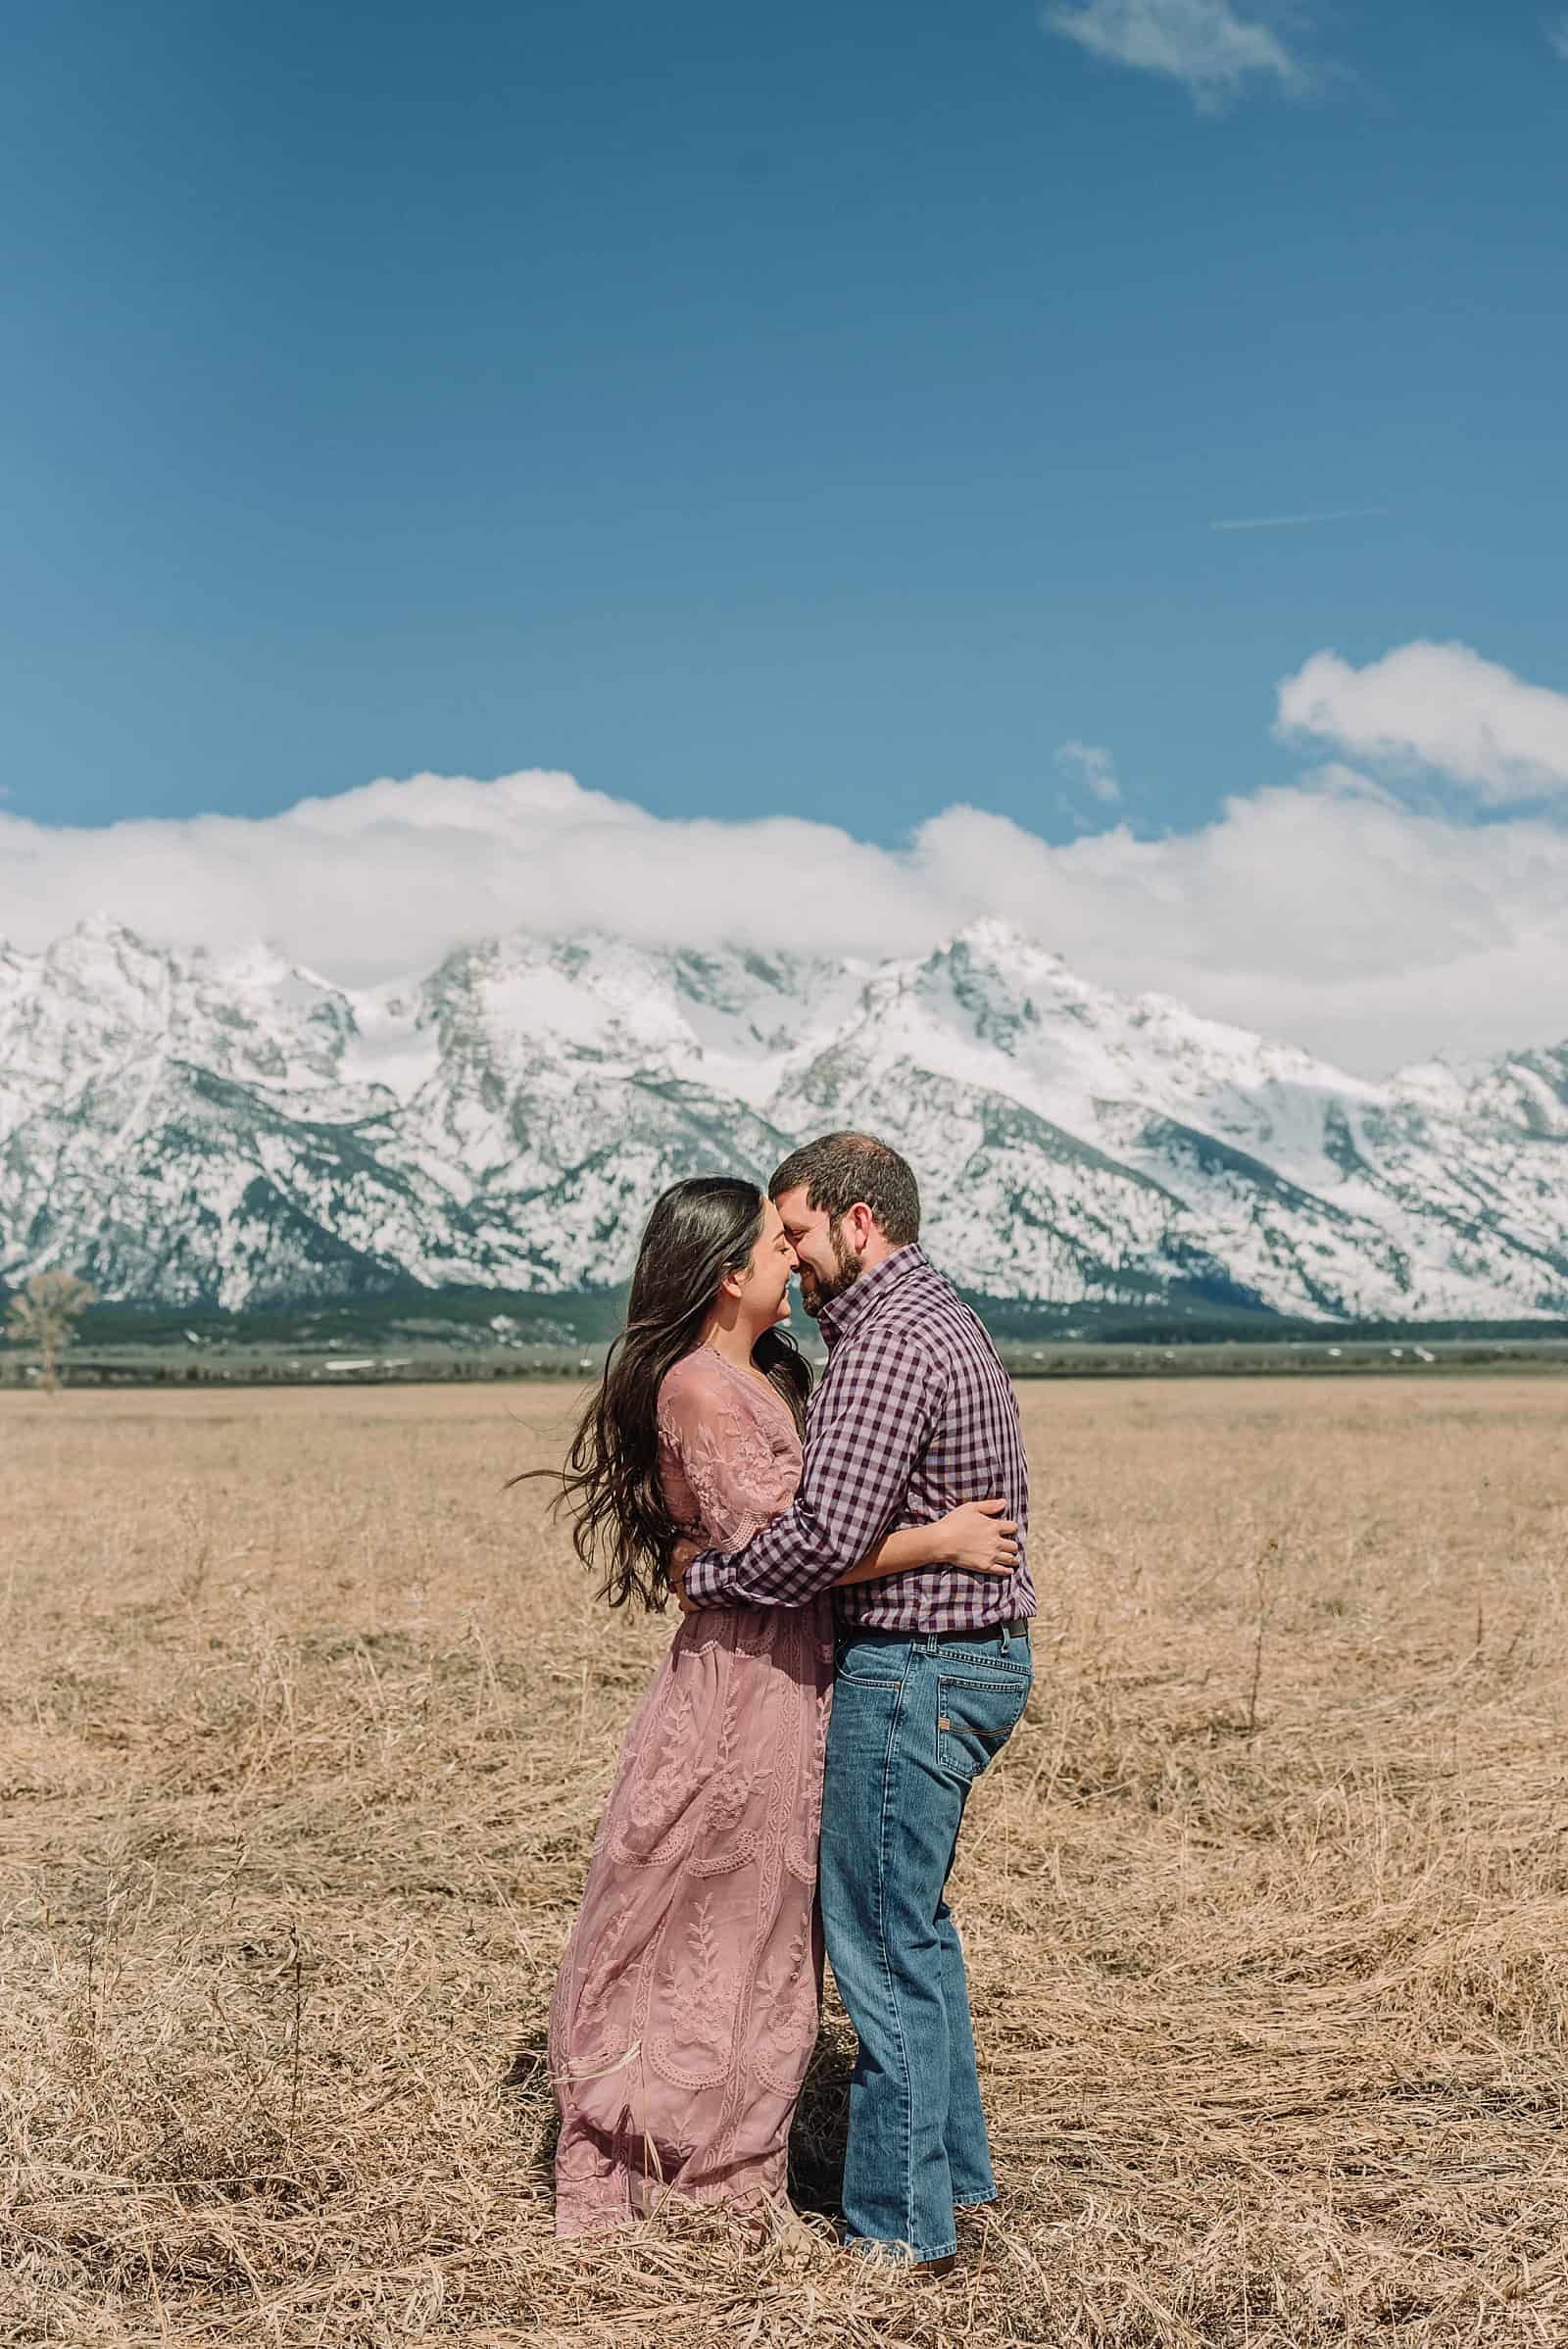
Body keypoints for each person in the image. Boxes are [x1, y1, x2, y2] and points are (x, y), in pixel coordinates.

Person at [536, 1175, 1019, 2238]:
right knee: (707, 1903)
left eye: (794, 1239)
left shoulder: (762, 1374)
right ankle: (662, 2148)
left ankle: (732, 2153)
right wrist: (936, 1542)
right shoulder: (702, 1388)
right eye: (774, 1244)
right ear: (726, 1273)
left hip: (793, 1672)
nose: (792, 1261)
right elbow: (784, 1555)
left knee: (770, 1915)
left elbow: (785, 1547)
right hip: (745, 1680)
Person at [678, 1133, 1033, 2274]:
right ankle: (953, 2184)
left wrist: (713, 1577)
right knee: (914, 1938)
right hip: (960, 1661)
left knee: (880, 1952)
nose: (788, 1253)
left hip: (917, 1668)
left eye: (795, 1229)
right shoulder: (930, 1317)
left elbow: (826, 1534)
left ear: (856, 1220)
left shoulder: (886, 1346)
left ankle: (895, 2229)